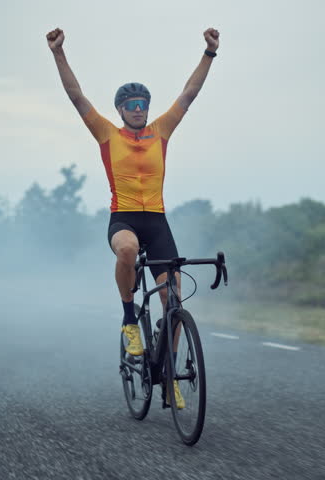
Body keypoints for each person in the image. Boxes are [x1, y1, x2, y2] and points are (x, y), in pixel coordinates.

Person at [47, 26, 220, 408]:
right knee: (126, 249)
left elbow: (189, 95)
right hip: (124, 218)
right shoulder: (107, 134)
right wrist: (59, 53)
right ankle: (129, 321)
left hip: (158, 222)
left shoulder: (162, 130)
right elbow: (76, 97)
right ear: (121, 110)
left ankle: (169, 373)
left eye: (143, 103)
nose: (139, 109)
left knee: (174, 300)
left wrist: (209, 53)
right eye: (132, 105)